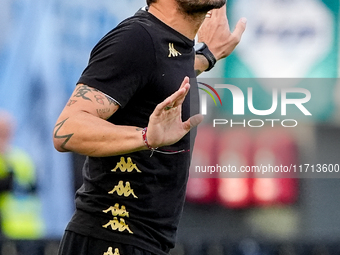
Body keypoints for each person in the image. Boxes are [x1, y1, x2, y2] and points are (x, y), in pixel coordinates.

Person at [53, 1, 246, 254]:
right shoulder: (137, 39)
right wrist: (145, 137)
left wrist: (206, 57)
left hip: (143, 243)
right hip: (110, 238)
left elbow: (163, 72)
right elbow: (67, 129)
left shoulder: (171, 45)